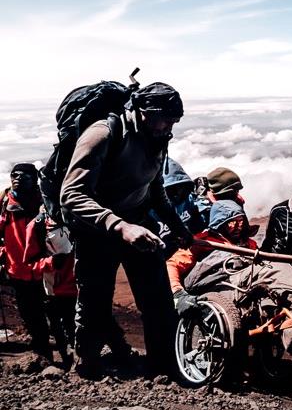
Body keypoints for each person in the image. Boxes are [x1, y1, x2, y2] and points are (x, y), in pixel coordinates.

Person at [60, 82, 193, 379]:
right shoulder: (103, 134)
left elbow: (154, 187)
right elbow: (71, 195)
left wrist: (176, 224)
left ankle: (166, 369)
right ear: (144, 112)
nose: (171, 126)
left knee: (158, 302)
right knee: (94, 303)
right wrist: (119, 225)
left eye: (175, 121)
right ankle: (87, 368)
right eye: (166, 119)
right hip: (97, 232)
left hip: (139, 226)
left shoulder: (158, 136)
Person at [167, 199, 259, 316]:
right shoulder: (202, 241)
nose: (238, 226)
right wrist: (178, 294)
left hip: (248, 284)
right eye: (232, 222)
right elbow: (172, 264)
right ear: (220, 223)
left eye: (240, 221)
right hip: (215, 288)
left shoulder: (250, 244)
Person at [0, 163, 53, 360]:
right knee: (30, 312)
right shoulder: (5, 201)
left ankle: (67, 352)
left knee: (55, 313)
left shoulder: (46, 202)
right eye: (15, 174)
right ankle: (42, 352)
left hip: (46, 269)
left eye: (24, 175)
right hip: (18, 268)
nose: (18, 178)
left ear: (34, 179)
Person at [24, 210, 77, 369]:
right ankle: (71, 365)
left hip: (82, 285)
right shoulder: (37, 225)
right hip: (57, 290)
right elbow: (29, 262)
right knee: (63, 330)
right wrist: (50, 262)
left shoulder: (77, 215)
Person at [156, 157, 206, 254]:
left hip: (188, 253)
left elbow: (199, 225)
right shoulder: (149, 211)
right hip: (165, 260)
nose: (178, 193)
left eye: (181, 187)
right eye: (172, 189)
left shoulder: (188, 199)